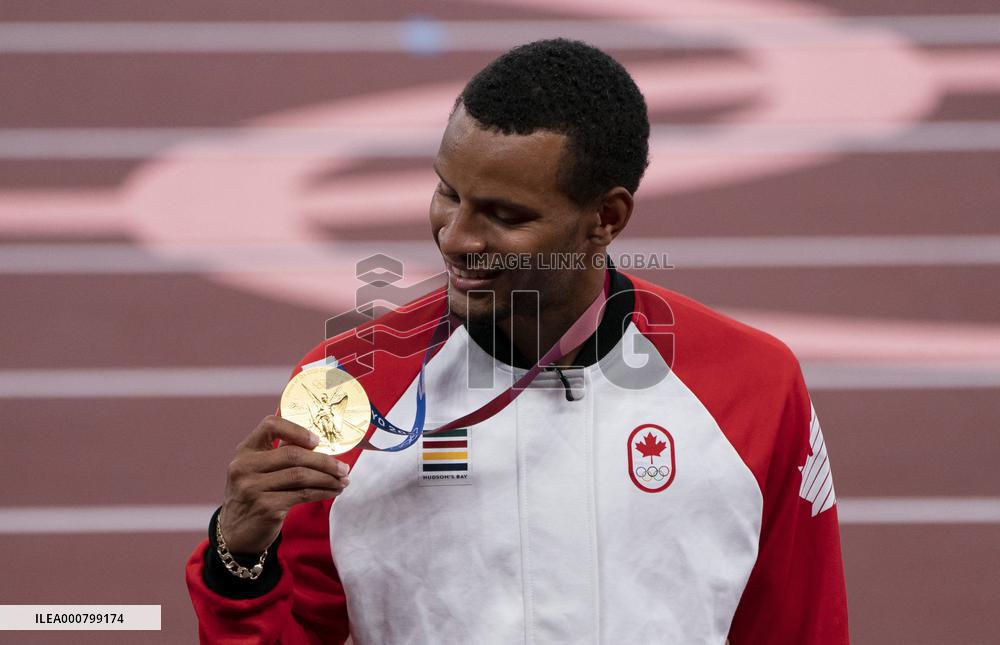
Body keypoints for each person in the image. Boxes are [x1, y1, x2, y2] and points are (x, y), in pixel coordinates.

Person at [185, 38, 849, 644]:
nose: (457, 237)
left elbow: (801, 627)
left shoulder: (754, 384)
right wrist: (237, 559)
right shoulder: (347, 388)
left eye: (504, 215)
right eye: (448, 192)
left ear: (606, 217)